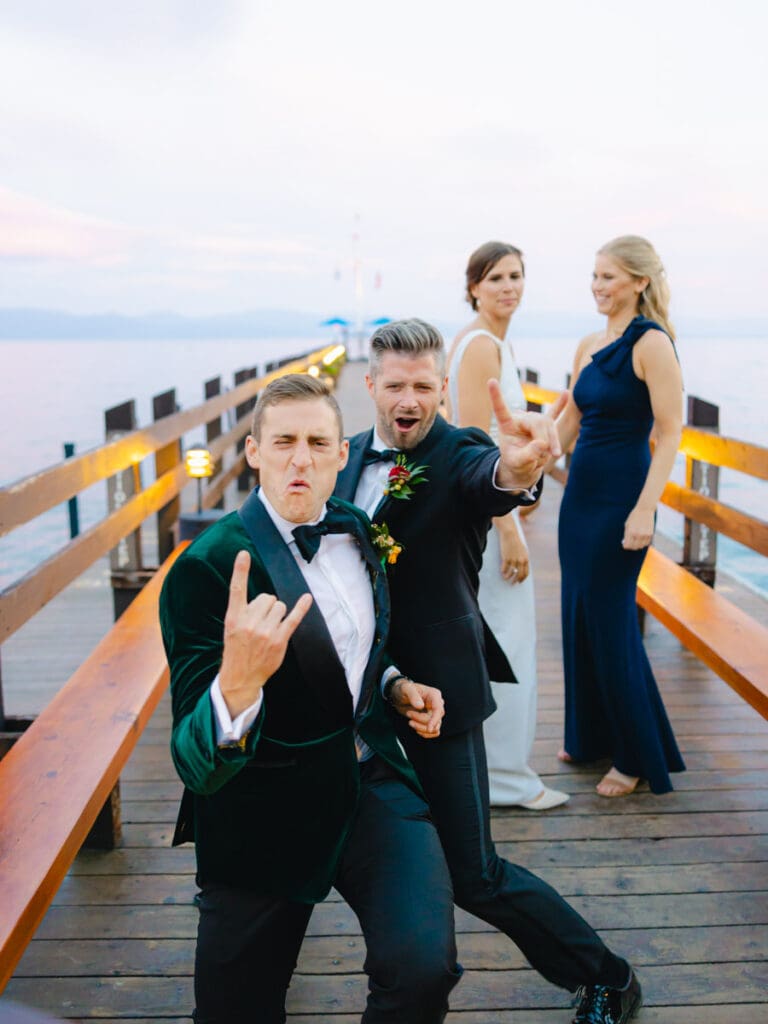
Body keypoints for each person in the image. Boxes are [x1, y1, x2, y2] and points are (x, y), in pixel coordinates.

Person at [335, 319, 642, 1024]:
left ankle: (607, 976)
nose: (407, 398)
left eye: (422, 385)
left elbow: (494, 480)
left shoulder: (464, 450)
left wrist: (519, 470)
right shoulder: (345, 456)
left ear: (442, 388)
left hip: (444, 692)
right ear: (370, 386)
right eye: (394, 385)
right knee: (328, 842)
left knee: (474, 875)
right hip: (361, 701)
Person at [160, 374, 461, 1024]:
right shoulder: (209, 569)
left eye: (318, 442)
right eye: (285, 441)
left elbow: (352, 645)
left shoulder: (355, 527)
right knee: (233, 1012)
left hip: (368, 780)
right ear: (254, 452)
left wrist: (391, 685)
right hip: (263, 807)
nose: (302, 458)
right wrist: (235, 687)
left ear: (342, 454)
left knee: (422, 970)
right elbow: (192, 761)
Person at [556, 235, 686, 797]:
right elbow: (565, 427)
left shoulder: (651, 343)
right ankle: (588, 737)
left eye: (608, 276)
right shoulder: (588, 344)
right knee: (577, 616)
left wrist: (645, 510)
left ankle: (634, 756)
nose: (597, 286)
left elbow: (671, 432)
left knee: (611, 626)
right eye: (594, 275)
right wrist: (522, 467)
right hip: (579, 496)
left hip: (621, 500)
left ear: (639, 282)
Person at [446, 240, 568, 810]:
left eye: (516, 275)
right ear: (473, 286)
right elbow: (474, 447)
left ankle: (497, 773)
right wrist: (510, 526)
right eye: (495, 277)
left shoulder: (497, 343)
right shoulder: (478, 347)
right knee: (506, 639)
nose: (507, 286)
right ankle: (504, 780)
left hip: (499, 506)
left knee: (503, 637)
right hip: (490, 517)